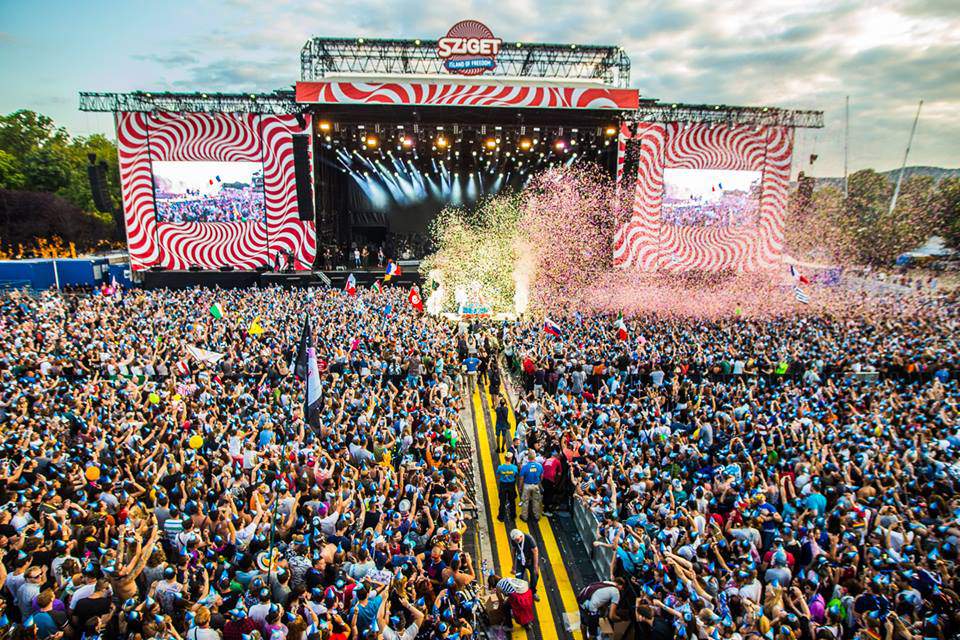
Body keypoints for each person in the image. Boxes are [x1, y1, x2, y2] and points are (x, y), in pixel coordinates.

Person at [509, 529, 540, 602]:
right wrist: (513, 565)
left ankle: (533, 592)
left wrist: (535, 566)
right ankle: (521, 593)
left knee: (535, 576)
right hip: (520, 560)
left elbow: (535, 552)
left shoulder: (529, 539)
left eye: (517, 540)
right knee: (518, 578)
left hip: (530, 561)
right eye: (514, 540)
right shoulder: (514, 539)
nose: (516, 541)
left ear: (521, 536)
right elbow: (513, 551)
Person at [518, 450, 544, 522]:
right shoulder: (539, 466)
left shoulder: (525, 467)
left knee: (525, 501)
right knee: (536, 501)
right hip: (536, 485)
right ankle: (536, 516)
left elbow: (521, 479)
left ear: (528, 458)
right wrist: (538, 482)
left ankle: (524, 517)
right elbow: (542, 476)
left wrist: (520, 487)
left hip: (527, 485)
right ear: (535, 457)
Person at [496, 452, 519, 522]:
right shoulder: (514, 467)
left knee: (502, 501)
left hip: (503, 484)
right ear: (511, 459)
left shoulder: (500, 467)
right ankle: (513, 515)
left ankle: (501, 516)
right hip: (511, 484)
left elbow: (498, 473)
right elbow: (516, 474)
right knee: (512, 500)